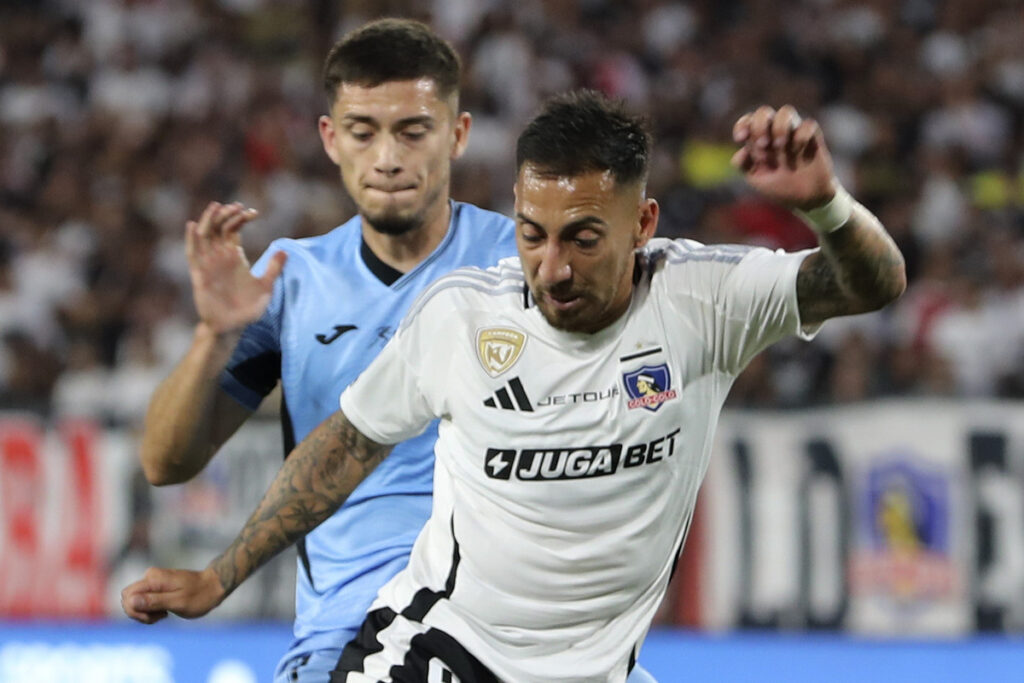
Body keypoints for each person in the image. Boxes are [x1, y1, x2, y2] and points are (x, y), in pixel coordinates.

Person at [123, 91, 906, 681]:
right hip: (445, 649)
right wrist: (218, 575)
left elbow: (871, 283)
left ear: (643, 223)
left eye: (583, 238)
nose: (552, 267)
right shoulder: (463, 317)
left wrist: (825, 207)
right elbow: (347, 442)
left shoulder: (705, 301)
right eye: (533, 234)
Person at [132, 18, 529, 683]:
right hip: (349, 632)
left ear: (457, 135)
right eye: (363, 132)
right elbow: (165, 462)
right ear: (330, 139)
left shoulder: (522, 262)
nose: (388, 158)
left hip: (506, 628)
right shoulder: (291, 281)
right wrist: (214, 336)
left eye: (413, 131)